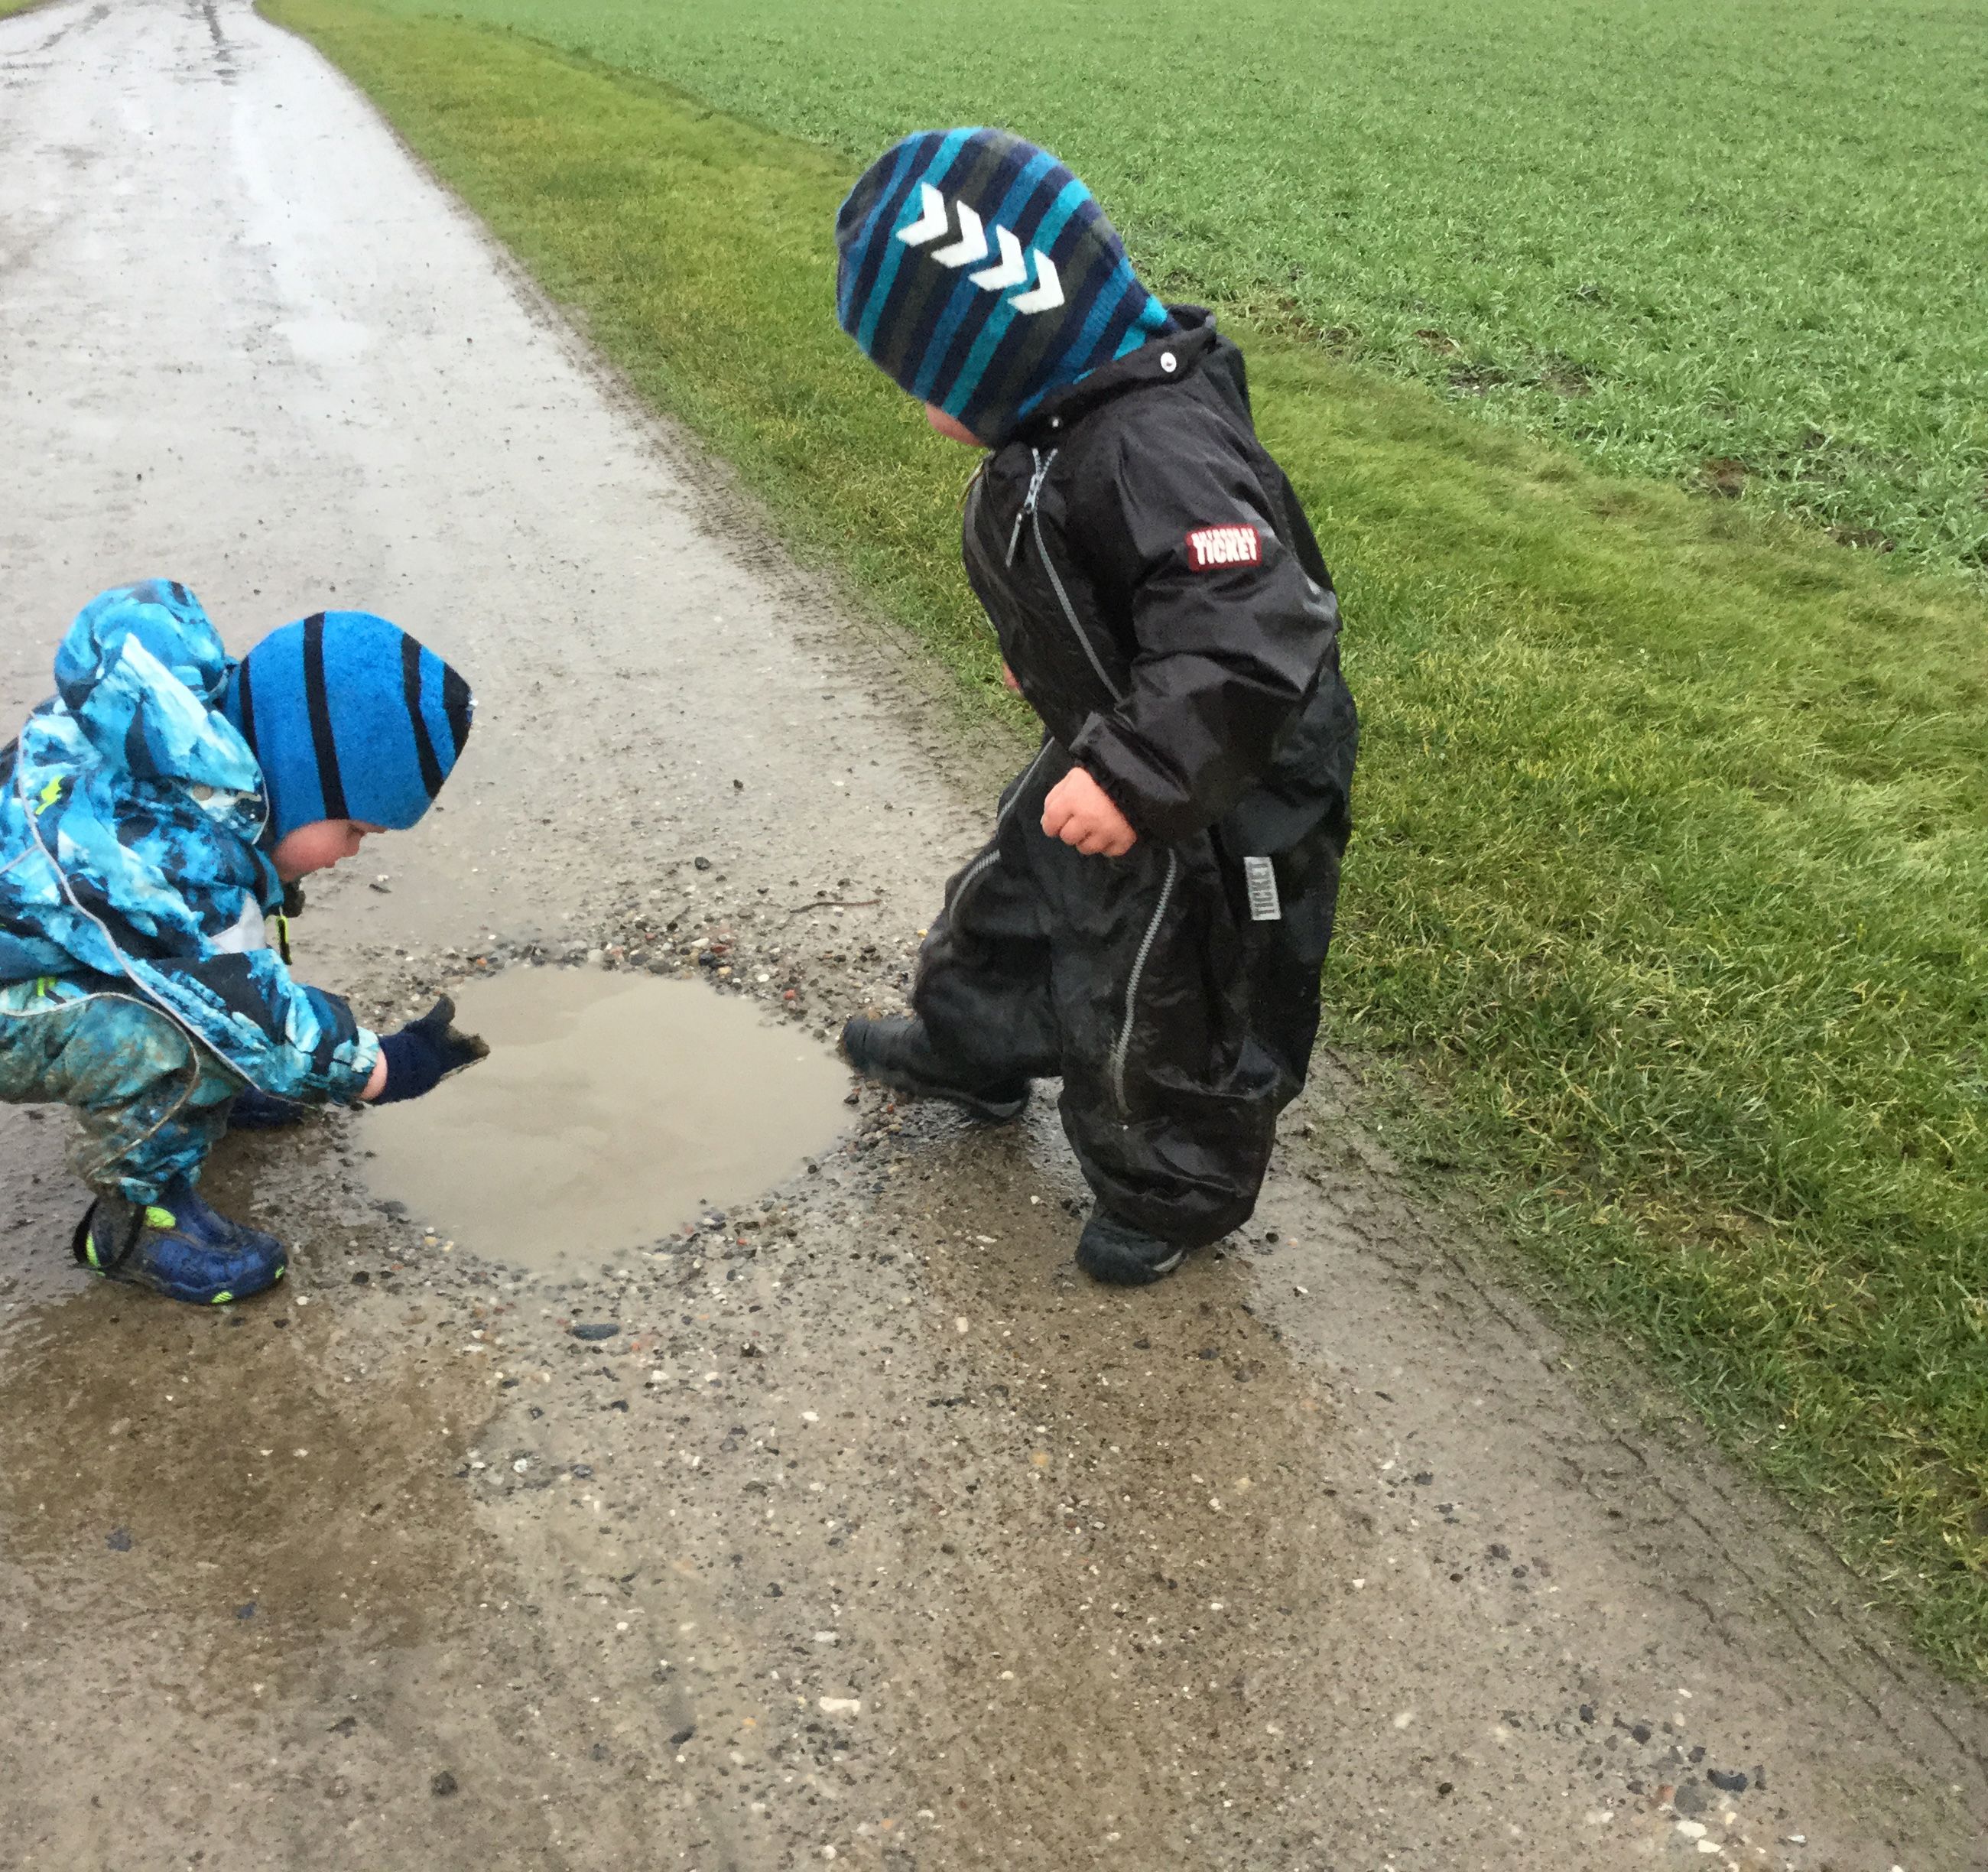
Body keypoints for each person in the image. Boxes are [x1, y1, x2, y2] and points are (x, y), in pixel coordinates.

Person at [833, 128, 1359, 1285]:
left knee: (1178, 984)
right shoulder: (1071, 414)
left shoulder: (1153, 447)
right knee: (1018, 890)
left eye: (930, 389)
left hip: (1223, 773)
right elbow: (1104, 580)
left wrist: (1134, 774)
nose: (925, 414)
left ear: (1005, 348)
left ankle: (1169, 1188)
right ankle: (975, 1046)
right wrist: (1061, 683)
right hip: (1126, 730)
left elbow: (1248, 626)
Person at [0, 580, 487, 1305]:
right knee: (186, 1029)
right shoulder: (174, 851)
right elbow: (248, 1006)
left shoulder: (164, 753)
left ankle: (218, 1089)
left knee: (215, 997)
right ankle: (136, 1222)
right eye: (353, 829)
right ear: (302, 780)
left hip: (33, 943)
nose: (351, 853)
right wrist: (386, 1066)